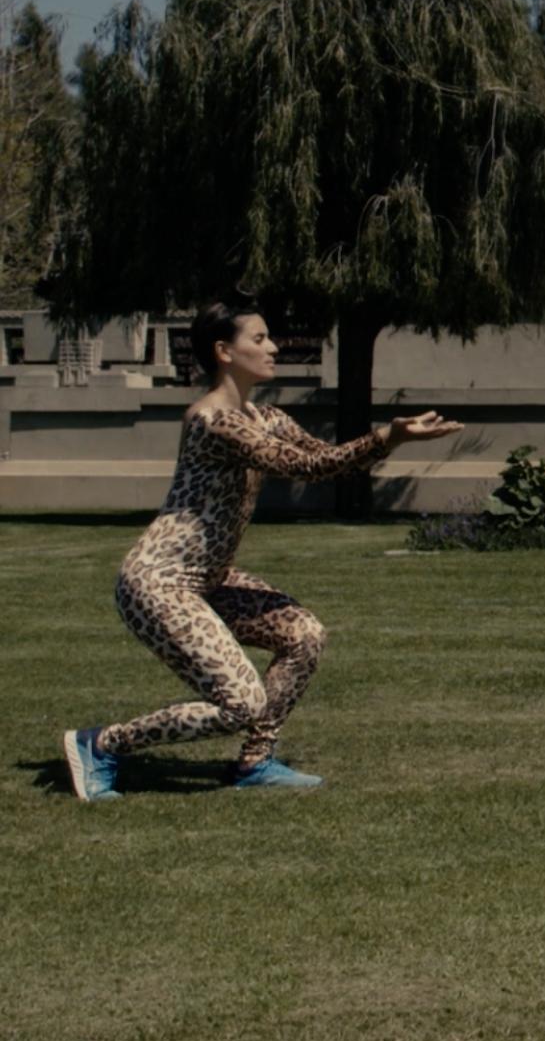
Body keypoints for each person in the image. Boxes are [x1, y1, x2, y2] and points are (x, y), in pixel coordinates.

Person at [60, 302, 461, 801]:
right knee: (240, 704)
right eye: (260, 339)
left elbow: (325, 458)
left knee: (303, 636)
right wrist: (387, 437)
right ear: (224, 352)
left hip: (209, 579)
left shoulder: (263, 416)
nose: (272, 348)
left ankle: (254, 762)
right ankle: (101, 744)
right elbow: (307, 470)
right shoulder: (214, 421)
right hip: (159, 582)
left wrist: (394, 440)